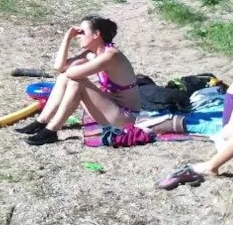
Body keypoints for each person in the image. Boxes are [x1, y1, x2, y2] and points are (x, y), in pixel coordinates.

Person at [13, 16, 140, 146]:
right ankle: (41, 121)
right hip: (109, 108)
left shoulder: (110, 55)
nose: (78, 36)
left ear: (96, 34)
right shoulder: (94, 53)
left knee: (77, 82)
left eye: (82, 32)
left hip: (125, 117)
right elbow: (60, 67)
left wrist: (86, 59)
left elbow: (72, 73)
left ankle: (51, 130)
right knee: (64, 77)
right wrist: (67, 38)